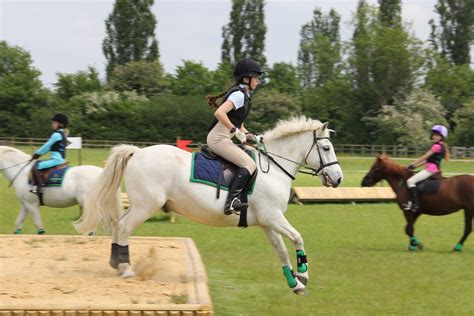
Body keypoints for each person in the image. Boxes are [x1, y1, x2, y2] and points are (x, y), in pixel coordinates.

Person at [206, 58, 264, 215]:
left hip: (224, 138)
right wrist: (234, 130)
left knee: (250, 155)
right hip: (218, 140)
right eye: (256, 78)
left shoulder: (244, 96)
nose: (258, 81)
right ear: (247, 78)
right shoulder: (238, 95)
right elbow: (219, 113)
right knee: (249, 165)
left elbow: (240, 125)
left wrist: (251, 136)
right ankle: (231, 201)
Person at [405, 125, 449, 212]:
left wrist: (412, 164)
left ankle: (415, 205)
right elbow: (428, 160)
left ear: (442, 137)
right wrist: (414, 166)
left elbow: (424, 157)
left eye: (437, 135)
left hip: (430, 170)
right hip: (432, 169)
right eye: (434, 135)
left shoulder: (436, 146)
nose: (434, 137)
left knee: (410, 181)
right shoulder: (441, 145)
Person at [30, 113, 69, 194]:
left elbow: (46, 146)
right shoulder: (63, 134)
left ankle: (39, 187)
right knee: (39, 163)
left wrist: (36, 154)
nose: (52, 124)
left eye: (54, 123)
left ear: (60, 124)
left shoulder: (56, 135)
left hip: (56, 160)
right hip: (61, 159)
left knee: (36, 166)